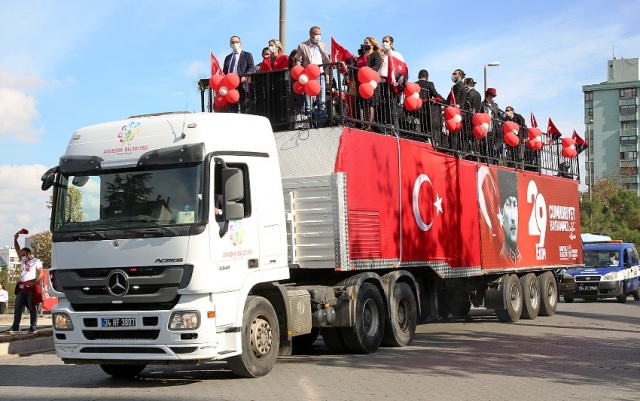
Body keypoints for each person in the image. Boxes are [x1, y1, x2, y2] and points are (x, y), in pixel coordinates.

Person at [8, 230, 44, 334]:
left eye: (23, 253)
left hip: (30, 285)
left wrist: (33, 283)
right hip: (22, 286)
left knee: (32, 307)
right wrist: (15, 239)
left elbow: (41, 273)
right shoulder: (23, 260)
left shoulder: (36, 261)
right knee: (18, 306)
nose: (21, 255)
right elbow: (17, 248)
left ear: (28, 253)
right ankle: (15, 327)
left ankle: (33, 327)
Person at [296, 26, 331, 122]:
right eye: (316, 34)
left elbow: (327, 61)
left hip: (321, 75)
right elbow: (298, 62)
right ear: (311, 35)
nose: (318, 36)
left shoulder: (322, 45)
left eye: (319, 34)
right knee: (308, 103)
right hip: (308, 77)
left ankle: (321, 124)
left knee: (322, 102)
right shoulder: (302, 45)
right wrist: (301, 73)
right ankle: (308, 123)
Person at [223, 35, 255, 113]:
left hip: (242, 83)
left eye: (236, 42)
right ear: (230, 45)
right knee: (232, 105)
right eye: (232, 42)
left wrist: (245, 75)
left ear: (240, 43)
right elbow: (224, 71)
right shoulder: (228, 57)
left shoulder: (247, 55)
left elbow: (251, 67)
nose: (235, 44)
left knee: (244, 104)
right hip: (231, 85)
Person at [378, 35, 403, 125]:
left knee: (391, 106)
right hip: (380, 82)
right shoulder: (380, 55)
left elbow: (401, 69)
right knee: (381, 106)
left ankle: (393, 127)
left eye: (386, 41)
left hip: (391, 83)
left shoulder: (397, 55)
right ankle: (381, 125)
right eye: (383, 41)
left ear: (391, 43)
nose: (384, 43)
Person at [357, 37, 382, 130]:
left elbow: (377, 66)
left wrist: (368, 72)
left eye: (367, 42)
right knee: (364, 104)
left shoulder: (375, 54)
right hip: (362, 82)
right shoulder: (361, 57)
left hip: (372, 81)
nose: (365, 44)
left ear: (372, 44)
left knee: (370, 103)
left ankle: (369, 125)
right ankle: (363, 123)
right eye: (364, 42)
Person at [497, 170, 521, 265]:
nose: (512, 218)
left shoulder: (520, 258)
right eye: (508, 205)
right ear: (502, 214)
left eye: (515, 205)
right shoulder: (501, 257)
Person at [481, 87, 507, 160]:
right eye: (491, 95)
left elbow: (499, 114)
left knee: (494, 146)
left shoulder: (495, 105)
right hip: (485, 127)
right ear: (488, 95)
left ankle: (493, 158)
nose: (492, 97)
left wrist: (507, 119)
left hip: (494, 127)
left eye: (493, 96)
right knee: (486, 145)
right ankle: (486, 159)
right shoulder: (482, 105)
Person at [415, 69, 442, 134]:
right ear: (427, 77)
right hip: (427, 108)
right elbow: (435, 94)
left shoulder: (415, 84)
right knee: (426, 126)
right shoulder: (430, 84)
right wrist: (445, 101)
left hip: (416, 108)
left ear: (418, 76)